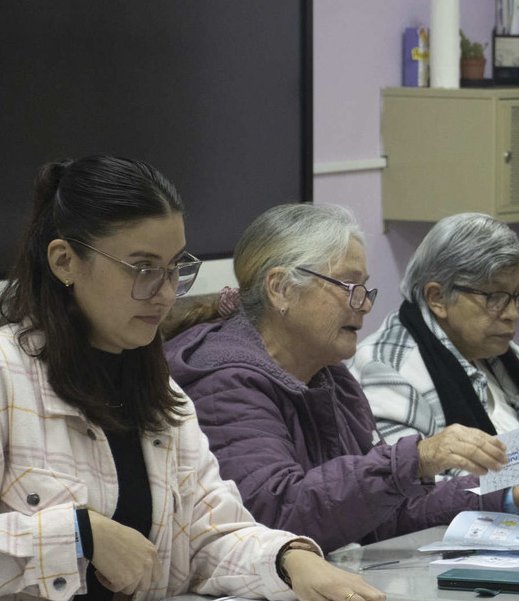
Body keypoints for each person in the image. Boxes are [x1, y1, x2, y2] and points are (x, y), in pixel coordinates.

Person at [0, 156, 382, 601]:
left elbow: (209, 535)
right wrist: (80, 534)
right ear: (65, 261)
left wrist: (290, 559)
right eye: (143, 270)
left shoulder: (160, 391)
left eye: (175, 268)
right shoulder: (9, 373)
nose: (165, 294)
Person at [165, 204, 519, 554]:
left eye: (365, 288)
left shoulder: (331, 377)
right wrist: (414, 459)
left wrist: (512, 495)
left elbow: (382, 515)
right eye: (348, 286)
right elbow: (276, 518)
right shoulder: (224, 381)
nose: (365, 305)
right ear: (281, 289)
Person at [350, 213, 519, 485]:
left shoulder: (505, 356)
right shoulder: (384, 370)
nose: (512, 313)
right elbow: (413, 494)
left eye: (517, 295)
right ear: (437, 298)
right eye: (495, 297)